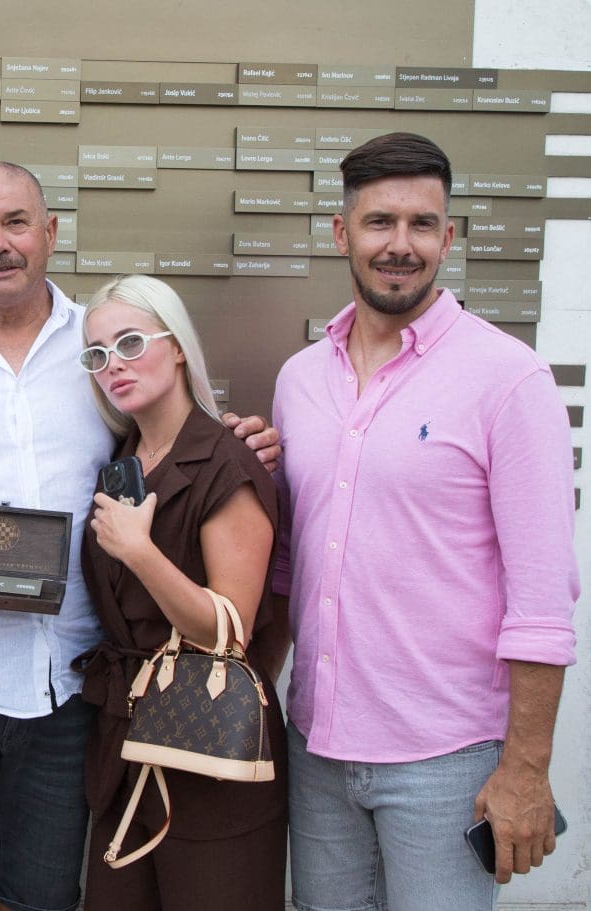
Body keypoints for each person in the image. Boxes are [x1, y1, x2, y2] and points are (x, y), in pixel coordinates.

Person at [0, 161, 280, 911]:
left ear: (49, 232)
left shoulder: (102, 348)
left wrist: (236, 442)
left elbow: (170, 437)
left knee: (34, 900)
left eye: (15, 222)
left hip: (67, 693)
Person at [272, 132, 578, 911]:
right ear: (341, 232)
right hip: (317, 749)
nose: (400, 245)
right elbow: (290, 567)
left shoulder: (509, 379)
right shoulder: (300, 379)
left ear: (449, 236)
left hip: (447, 761)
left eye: (422, 224)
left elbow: (543, 604)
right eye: (379, 221)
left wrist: (525, 768)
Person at [74, 274, 286, 910]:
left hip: (212, 745)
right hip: (127, 740)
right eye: (97, 354)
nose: (113, 365)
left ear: (178, 348)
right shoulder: (123, 460)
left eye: (131, 343)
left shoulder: (227, 461)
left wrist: (140, 552)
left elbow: (227, 632)